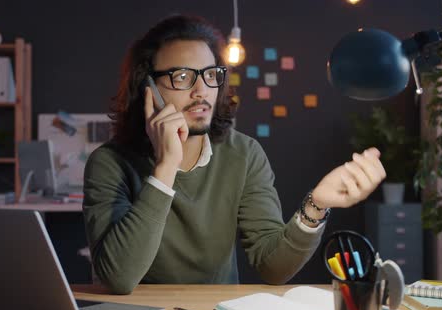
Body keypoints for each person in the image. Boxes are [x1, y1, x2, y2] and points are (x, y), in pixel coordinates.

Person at [83, 15, 386, 295]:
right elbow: (118, 278)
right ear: (147, 87)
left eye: (210, 74)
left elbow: (273, 267)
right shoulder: (109, 163)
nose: (201, 90)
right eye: (182, 76)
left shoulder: (244, 153)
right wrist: (165, 168)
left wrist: (317, 204)